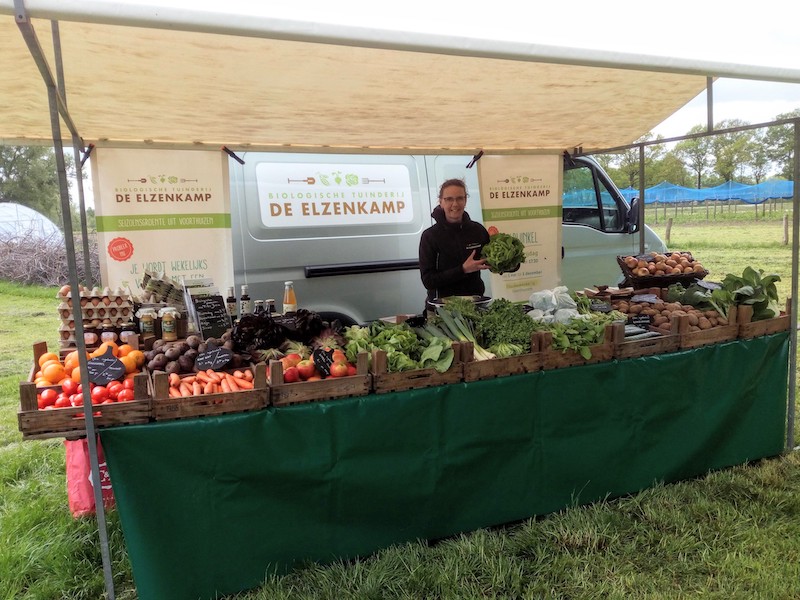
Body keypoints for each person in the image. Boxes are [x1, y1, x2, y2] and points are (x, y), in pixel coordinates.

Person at [419, 178, 490, 310]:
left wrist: (509, 262)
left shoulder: (478, 230)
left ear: (465, 200)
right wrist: (463, 269)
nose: (455, 204)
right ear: (441, 202)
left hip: (474, 306)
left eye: (459, 198)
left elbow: (492, 262)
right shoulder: (430, 236)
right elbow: (428, 281)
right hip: (442, 310)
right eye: (449, 199)